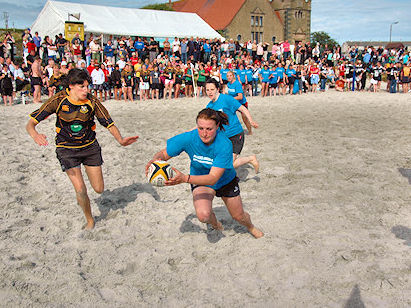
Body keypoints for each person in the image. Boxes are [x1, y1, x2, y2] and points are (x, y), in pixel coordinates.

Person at [26, 68, 138, 230]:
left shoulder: (92, 101)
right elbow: (31, 123)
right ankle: (90, 219)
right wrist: (34, 134)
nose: (86, 90)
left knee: (99, 189)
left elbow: (108, 122)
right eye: (82, 87)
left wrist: (121, 140)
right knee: (80, 189)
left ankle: (87, 200)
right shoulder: (58, 100)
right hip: (66, 149)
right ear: (71, 86)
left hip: (90, 148)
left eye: (87, 86)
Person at [145, 108, 263, 238]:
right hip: (200, 180)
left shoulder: (224, 144)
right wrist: (154, 160)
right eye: (200, 128)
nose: (204, 133)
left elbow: (213, 178)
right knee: (203, 215)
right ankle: (215, 224)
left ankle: (251, 227)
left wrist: (185, 178)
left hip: (225, 181)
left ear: (217, 126)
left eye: (209, 129)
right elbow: (163, 153)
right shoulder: (189, 137)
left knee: (239, 216)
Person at [205, 78, 259, 171]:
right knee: (218, 163)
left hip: (235, 135)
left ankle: (250, 159)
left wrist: (251, 121)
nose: (210, 92)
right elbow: (205, 123)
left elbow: (243, 109)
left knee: (227, 165)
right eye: (207, 90)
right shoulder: (209, 106)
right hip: (222, 138)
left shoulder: (227, 99)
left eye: (212, 89)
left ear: (217, 89)